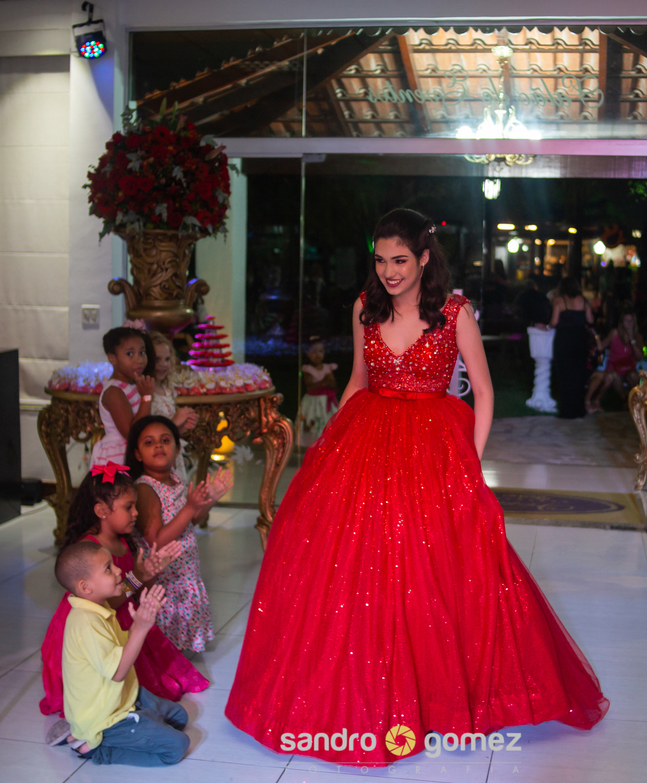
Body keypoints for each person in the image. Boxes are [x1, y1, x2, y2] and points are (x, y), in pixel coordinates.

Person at [225, 209, 609, 766]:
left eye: (400, 260)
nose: (389, 272)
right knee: (359, 564)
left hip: (435, 444)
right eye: (380, 260)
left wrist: (470, 468)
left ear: (425, 258)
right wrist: (327, 454)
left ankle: (439, 697)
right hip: (368, 441)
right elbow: (358, 381)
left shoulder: (455, 313)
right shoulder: (364, 307)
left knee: (438, 564)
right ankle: (365, 691)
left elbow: (483, 390)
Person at [39, 464, 208, 724]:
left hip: (119, 619)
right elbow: (106, 601)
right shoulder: (90, 549)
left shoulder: (122, 541)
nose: (136, 513)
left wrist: (147, 572)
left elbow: (129, 589)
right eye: (129, 507)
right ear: (102, 511)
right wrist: (137, 577)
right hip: (97, 625)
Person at [53, 542, 190, 766]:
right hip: (106, 718)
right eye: (109, 568)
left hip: (120, 697)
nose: (118, 570)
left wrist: (143, 575)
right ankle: (95, 748)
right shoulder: (85, 621)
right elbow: (117, 672)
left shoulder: (96, 603)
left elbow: (119, 593)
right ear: (85, 587)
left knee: (179, 717)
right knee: (177, 746)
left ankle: (128, 723)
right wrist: (141, 627)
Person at [126, 416, 221, 654]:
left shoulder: (175, 480)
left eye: (165, 440)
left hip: (183, 571)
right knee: (164, 639)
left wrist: (210, 499)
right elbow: (155, 541)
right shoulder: (145, 488)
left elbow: (192, 519)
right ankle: (167, 661)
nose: (158, 446)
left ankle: (176, 658)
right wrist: (190, 506)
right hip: (165, 577)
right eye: (149, 443)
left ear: (177, 449)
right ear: (137, 454)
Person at [93, 326, 155, 466]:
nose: (139, 360)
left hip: (134, 451)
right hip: (120, 456)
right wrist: (146, 397)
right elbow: (131, 433)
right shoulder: (114, 391)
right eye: (130, 354)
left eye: (142, 352)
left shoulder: (133, 385)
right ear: (112, 358)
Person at [146, 332, 198, 480]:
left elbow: (171, 430)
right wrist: (175, 420)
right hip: (156, 458)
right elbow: (149, 432)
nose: (163, 364)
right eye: (157, 359)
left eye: (167, 359)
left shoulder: (167, 390)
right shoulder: (145, 393)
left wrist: (183, 426)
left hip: (171, 454)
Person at [550, 276, 594, 419]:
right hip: (580, 339)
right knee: (579, 373)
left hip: (564, 339)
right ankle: (579, 409)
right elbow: (590, 320)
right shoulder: (583, 300)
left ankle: (567, 410)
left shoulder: (559, 301)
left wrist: (545, 326)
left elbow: (554, 322)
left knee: (565, 374)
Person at [586, 310, 644, 413]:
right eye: (627, 321)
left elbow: (639, 357)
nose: (629, 323)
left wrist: (632, 340)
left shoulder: (638, 336)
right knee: (612, 376)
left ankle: (633, 400)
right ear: (622, 322)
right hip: (614, 366)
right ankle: (625, 399)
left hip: (629, 367)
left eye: (631, 321)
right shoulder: (615, 333)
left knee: (634, 376)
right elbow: (601, 346)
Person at [298, 336, 338, 447]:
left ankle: (327, 442)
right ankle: (312, 443)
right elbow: (310, 386)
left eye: (321, 351)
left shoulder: (328, 367)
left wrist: (328, 381)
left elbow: (333, 384)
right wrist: (324, 381)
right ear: (308, 353)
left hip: (326, 401)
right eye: (314, 351)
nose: (318, 355)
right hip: (313, 401)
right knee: (312, 421)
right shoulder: (307, 369)